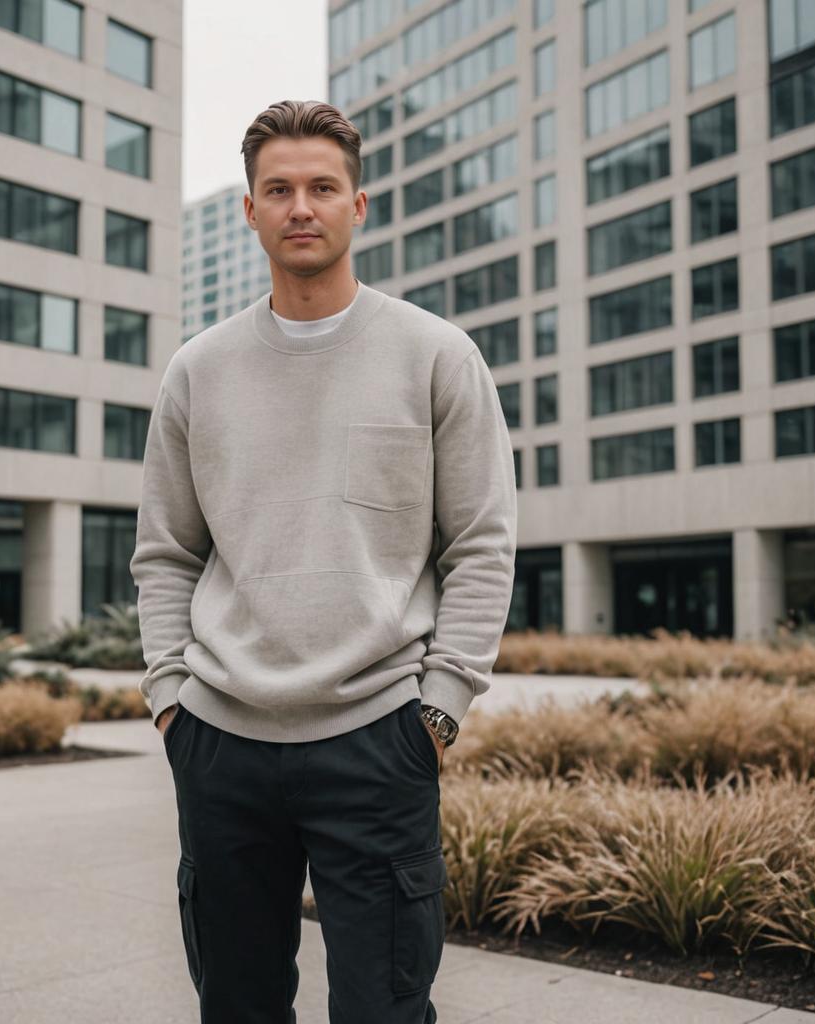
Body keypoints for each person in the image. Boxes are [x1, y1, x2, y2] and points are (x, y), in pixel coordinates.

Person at [130, 99, 518, 1024]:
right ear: (252, 212)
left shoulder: (436, 355)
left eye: (321, 187)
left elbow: (481, 542)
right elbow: (167, 552)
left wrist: (442, 706)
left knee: (384, 1010)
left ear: (359, 205)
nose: (301, 206)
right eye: (279, 189)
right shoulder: (198, 370)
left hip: (380, 738)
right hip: (220, 743)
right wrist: (168, 700)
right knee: (238, 1006)